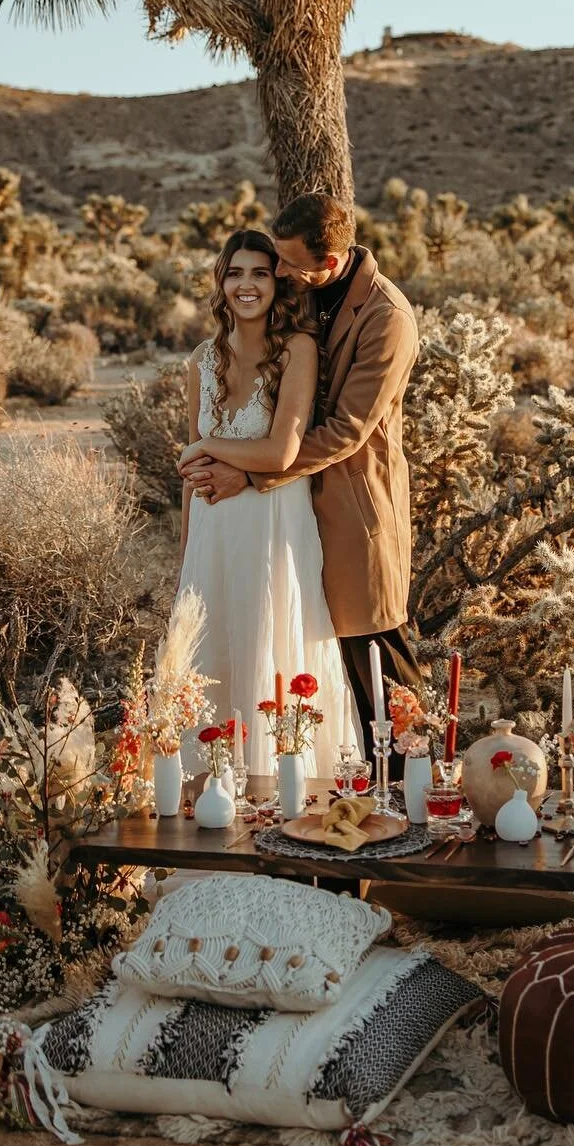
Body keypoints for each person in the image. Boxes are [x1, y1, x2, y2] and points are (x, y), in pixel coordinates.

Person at [181, 193, 423, 773]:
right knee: (302, 656)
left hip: (352, 503)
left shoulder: (387, 318)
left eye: (286, 265)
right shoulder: (302, 296)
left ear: (331, 261)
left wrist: (251, 470)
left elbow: (347, 429)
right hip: (287, 511)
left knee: (376, 664)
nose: (280, 274)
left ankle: (415, 797)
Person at [174, 228, 356, 767]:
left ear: (277, 283)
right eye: (235, 273)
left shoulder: (296, 351)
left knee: (269, 644)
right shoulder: (200, 363)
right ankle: (211, 796)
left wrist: (205, 445)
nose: (246, 285)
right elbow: (194, 478)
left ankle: (281, 787)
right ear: (220, 282)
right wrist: (187, 557)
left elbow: (280, 453)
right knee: (214, 655)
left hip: (273, 524)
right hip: (213, 532)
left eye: (259, 273)